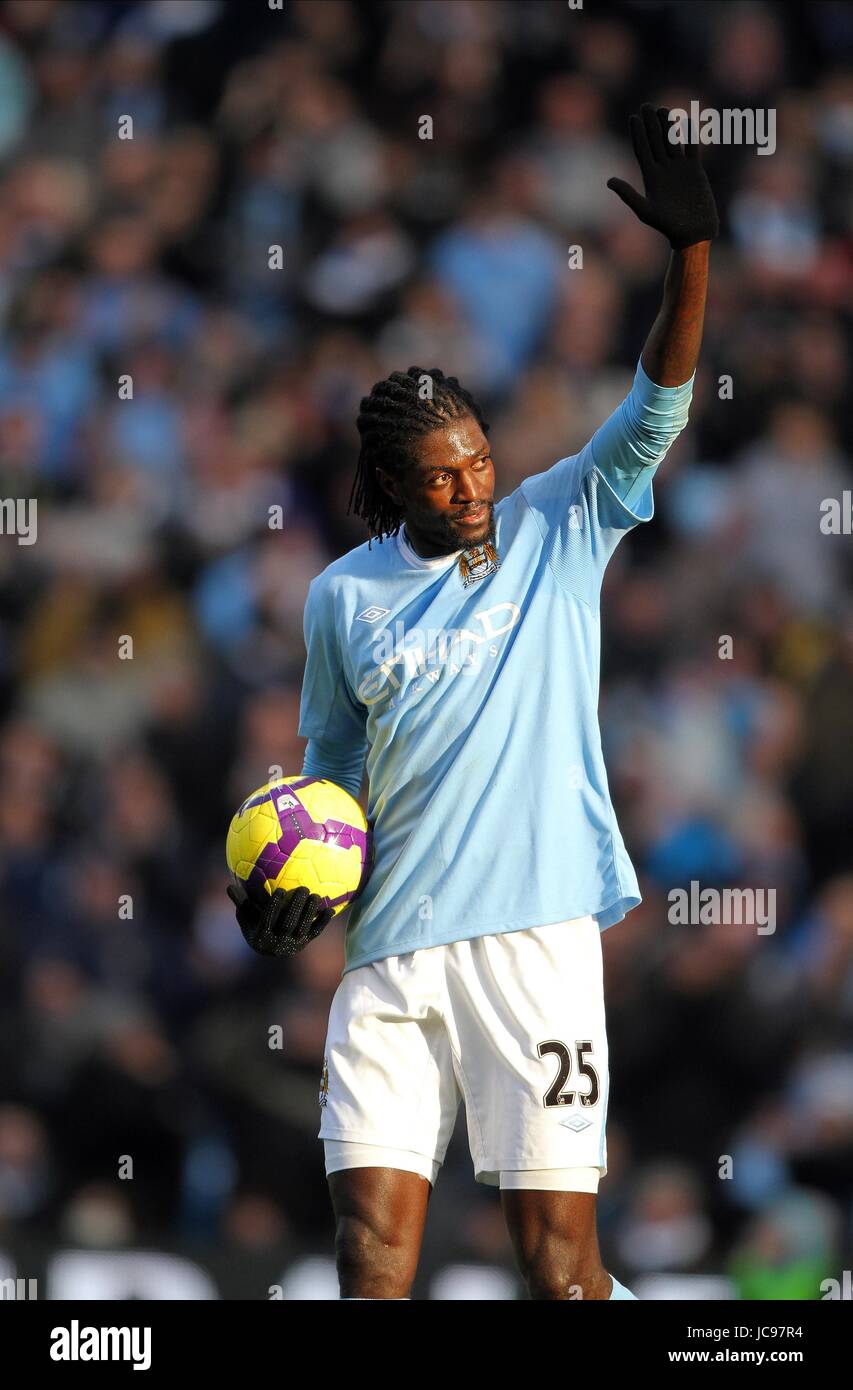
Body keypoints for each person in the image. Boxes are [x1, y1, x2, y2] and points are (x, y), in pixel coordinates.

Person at [228, 105, 717, 1300]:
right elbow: (333, 772)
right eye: (443, 474)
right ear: (393, 481)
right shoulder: (343, 598)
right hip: (391, 951)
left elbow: (655, 409)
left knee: (559, 1271)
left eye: (481, 458)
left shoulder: (560, 520)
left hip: (534, 938)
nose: (474, 485)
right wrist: (286, 875)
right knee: (370, 1258)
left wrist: (691, 256)